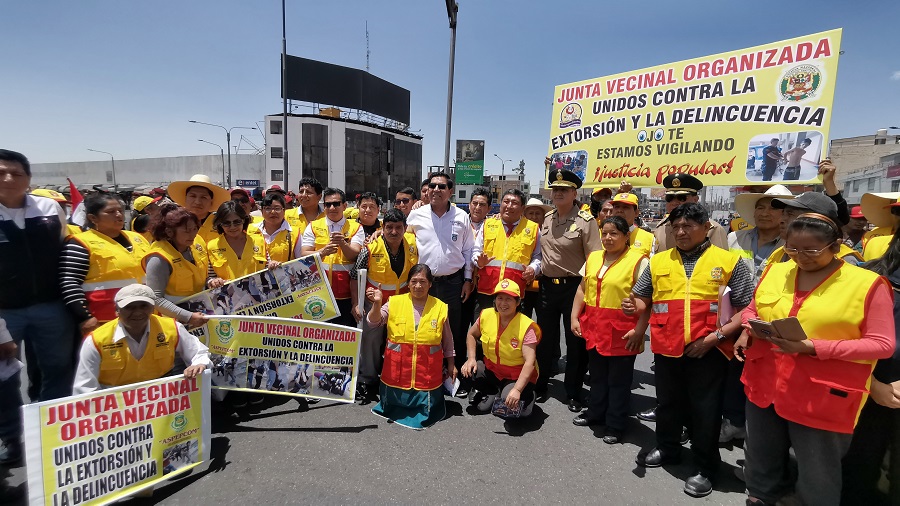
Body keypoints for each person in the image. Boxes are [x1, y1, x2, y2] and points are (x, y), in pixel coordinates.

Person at [738, 214, 894, 506]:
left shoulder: (868, 284)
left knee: (817, 474)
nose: (800, 257)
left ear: (836, 246)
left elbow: (882, 344)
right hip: (765, 384)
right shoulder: (775, 270)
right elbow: (751, 308)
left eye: (811, 250)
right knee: (760, 460)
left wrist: (813, 347)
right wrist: (752, 324)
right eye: (792, 249)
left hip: (822, 394)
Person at [627, 203, 754, 498]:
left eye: (688, 226)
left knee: (705, 411)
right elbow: (644, 298)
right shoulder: (658, 261)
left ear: (706, 226)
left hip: (709, 350)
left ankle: (706, 467)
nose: (681, 232)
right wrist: (634, 305)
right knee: (668, 404)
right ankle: (668, 448)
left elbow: (747, 309)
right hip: (666, 346)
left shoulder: (728, 261)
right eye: (676, 227)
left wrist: (715, 337)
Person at [0, 149, 76, 466]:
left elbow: (68, 247)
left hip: (52, 307)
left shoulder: (48, 209)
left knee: (57, 371)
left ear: (28, 179)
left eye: (16, 173)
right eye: (1, 172)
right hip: (5, 314)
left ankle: (49, 433)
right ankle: (12, 438)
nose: (8, 179)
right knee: (4, 379)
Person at [570, 216, 648, 444]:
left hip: (622, 332)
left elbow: (648, 300)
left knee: (618, 381)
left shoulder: (639, 261)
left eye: (614, 233)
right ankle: (595, 413)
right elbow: (582, 289)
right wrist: (575, 316)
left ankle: (615, 424)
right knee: (597, 376)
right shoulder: (594, 257)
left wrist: (640, 331)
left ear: (626, 236)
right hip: (594, 328)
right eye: (604, 233)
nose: (608, 238)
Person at [536, 166, 602, 411]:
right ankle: (540, 384)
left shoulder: (586, 222)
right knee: (543, 339)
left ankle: (573, 391)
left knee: (575, 341)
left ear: (575, 193)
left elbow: (594, 260)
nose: (558, 193)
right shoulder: (547, 218)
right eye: (555, 189)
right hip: (547, 287)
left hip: (574, 287)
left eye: (564, 189)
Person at [843, 225, 900, 504]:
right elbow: (834, 331)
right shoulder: (867, 275)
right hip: (864, 387)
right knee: (858, 467)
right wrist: (872, 384)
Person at [406, 172, 475, 396]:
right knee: (424, 329)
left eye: (442, 186)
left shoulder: (462, 216)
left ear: (450, 191)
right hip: (423, 284)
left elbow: (468, 250)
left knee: (453, 330)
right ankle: (428, 376)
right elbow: (404, 243)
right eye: (432, 186)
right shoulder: (416, 215)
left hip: (454, 283)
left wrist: (467, 279)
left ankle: (454, 377)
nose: (436, 190)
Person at [72, 283, 210, 393]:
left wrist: (198, 364)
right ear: (117, 310)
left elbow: (200, 351)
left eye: (144, 306)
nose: (138, 312)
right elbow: (84, 389)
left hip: (163, 398)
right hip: (114, 405)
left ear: (152, 308)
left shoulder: (172, 327)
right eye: (129, 307)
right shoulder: (97, 340)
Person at [366, 264, 456, 430]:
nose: (418, 286)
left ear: (430, 284)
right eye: (414, 281)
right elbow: (373, 322)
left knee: (426, 407)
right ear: (408, 284)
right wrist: (377, 303)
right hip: (397, 373)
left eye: (423, 281)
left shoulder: (440, 307)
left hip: (427, 374)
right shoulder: (394, 302)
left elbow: (448, 340)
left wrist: (451, 365)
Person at [349, 209, 418, 404]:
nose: (394, 232)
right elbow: (354, 276)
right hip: (374, 305)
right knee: (370, 341)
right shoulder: (370, 249)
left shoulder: (413, 246)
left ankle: (394, 378)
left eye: (398, 228)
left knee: (398, 342)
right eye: (389, 228)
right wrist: (356, 303)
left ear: (405, 229)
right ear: (382, 228)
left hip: (401, 304)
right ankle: (366, 380)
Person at [59, 192, 152, 336]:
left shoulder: (137, 238)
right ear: (93, 218)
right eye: (110, 212)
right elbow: (69, 282)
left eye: (120, 211)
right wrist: (85, 317)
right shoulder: (80, 243)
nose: (119, 215)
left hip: (145, 317)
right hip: (105, 321)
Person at [461, 279, 541, 419]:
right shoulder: (486, 315)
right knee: (470, 371)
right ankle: (492, 392)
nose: (503, 304)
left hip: (516, 375)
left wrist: (516, 390)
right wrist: (471, 358)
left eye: (509, 299)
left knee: (510, 408)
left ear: (518, 302)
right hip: (493, 370)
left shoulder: (527, 326)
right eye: (500, 298)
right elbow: (471, 334)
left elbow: (530, 362)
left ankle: (527, 397)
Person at [300, 188, 365, 327]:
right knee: (320, 337)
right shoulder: (313, 226)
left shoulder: (355, 227)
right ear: (324, 206)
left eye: (336, 204)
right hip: (320, 292)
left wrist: (342, 243)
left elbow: (354, 254)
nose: (332, 207)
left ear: (344, 206)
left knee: (344, 337)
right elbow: (304, 253)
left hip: (347, 294)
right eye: (328, 204)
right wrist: (322, 252)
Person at [141, 204, 211, 329]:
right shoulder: (158, 258)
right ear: (169, 232)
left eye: (195, 229)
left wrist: (211, 281)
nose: (193, 234)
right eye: (186, 230)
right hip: (173, 324)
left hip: (200, 317)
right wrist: (188, 316)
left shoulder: (195, 245)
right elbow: (156, 299)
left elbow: (200, 276)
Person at [473, 189, 541, 313]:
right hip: (488, 291)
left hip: (515, 293)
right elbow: (476, 250)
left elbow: (538, 256)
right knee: (485, 330)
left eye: (514, 203)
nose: (509, 206)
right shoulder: (488, 224)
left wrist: (533, 268)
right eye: (506, 201)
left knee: (513, 332)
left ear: (522, 208)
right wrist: (479, 261)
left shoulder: (533, 229)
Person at [652, 174, 727, 254]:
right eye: (670, 198)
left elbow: (721, 263)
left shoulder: (713, 229)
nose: (674, 202)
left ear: (695, 200)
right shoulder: (660, 228)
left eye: (681, 198)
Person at [207, 200, 275, 280]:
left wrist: (273, 265)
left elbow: (268, 267)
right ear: (220, 224)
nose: (232, 227)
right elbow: (210, 277)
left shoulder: (259, 241)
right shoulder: (212, 246)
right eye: (227, 223)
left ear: (244, 220)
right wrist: (213, 281)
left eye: (237, 222)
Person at [166, 174, 231, 245]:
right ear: (185, 198)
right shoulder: (173, 223)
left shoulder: (223, 223)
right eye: (193, 196)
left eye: (203, 197)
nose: (197, 202)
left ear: (211, 201)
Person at [521, 198, 552, 318]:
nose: (534, 216)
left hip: (544, 286)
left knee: (545, 322)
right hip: (524, 285)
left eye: (537, 213)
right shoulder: (517, 231)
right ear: (525, 215)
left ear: (543, 216)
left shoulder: (551, 231)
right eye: (531, 213)